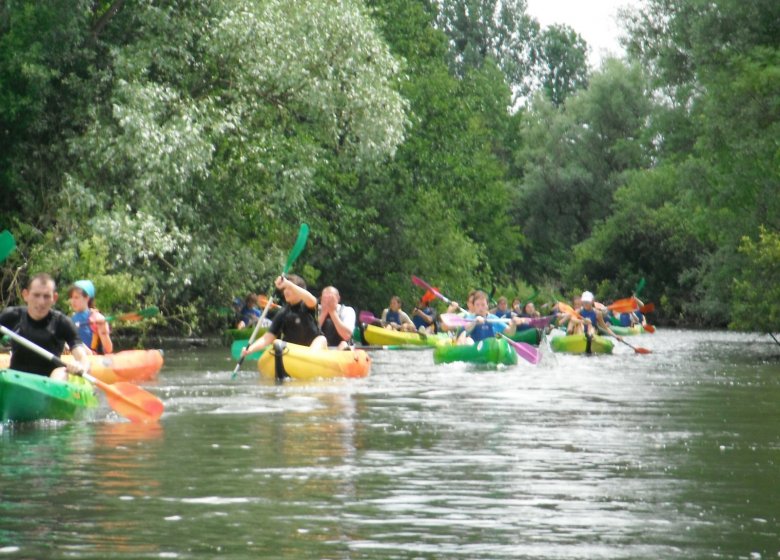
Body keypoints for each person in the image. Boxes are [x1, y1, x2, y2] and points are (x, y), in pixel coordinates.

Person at [0, 273, 91, 380]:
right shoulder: (11, 316)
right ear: (26, 295)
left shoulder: (62, 322)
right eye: (36, 295)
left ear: (54, 298)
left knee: (61, 372)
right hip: (17, 380)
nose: (41, 302)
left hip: (50, 383)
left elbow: (81, 356)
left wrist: (80, 366)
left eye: (46, 296)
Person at [241, 275, 327, 357]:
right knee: (277, 342)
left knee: (321, 339)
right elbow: (268, 338)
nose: (286, 291)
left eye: (289, 288)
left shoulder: (308, 305)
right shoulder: (283, 313)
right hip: (293, 352)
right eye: (285, 288)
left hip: (313, 351)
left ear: (299, 290)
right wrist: (250, 349)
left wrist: (288, 284)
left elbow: (311, 300)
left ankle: (309, 360)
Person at [457, 290, 521, 345]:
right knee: (468, 341)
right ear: (474, 306)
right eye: (477, 305)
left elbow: (510, 332)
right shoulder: (470, 318)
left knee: (498, 341)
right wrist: (475, 322)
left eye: (483, 305)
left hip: (489, 349)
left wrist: (514, 324)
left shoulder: (493, 318)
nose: (480, 308)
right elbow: (465, 330)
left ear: (487, 306)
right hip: (474, 349)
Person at [67, 279, 113, 355]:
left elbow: (108, 349)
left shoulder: (96, 317)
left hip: (91, 357)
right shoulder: (70, 319)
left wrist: (104, 332)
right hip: (73, 358)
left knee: (77, 343)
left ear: (87, 298)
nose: (73, 301)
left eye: (76, 297)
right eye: (71, 297)